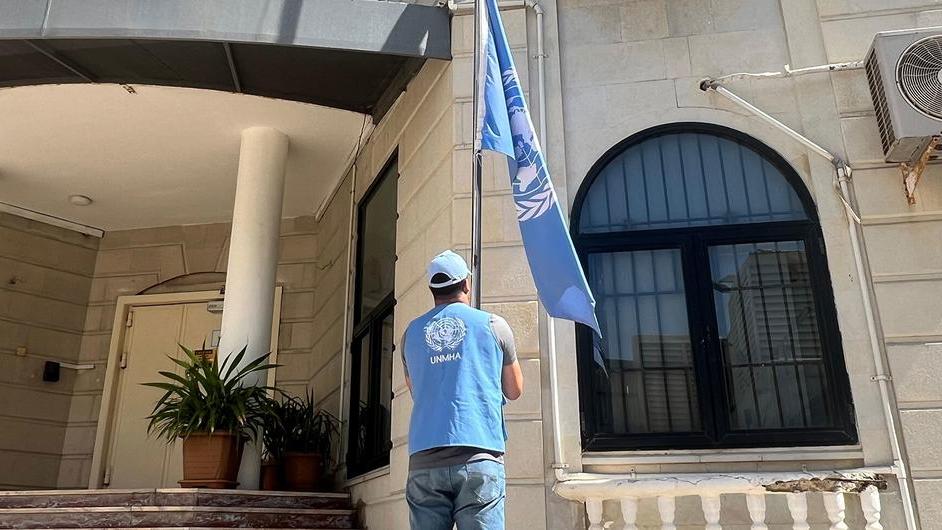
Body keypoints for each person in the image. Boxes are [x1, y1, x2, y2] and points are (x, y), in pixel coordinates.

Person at [401, 250, 524, 530]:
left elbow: (416, 390)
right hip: (478, 455)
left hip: (424, 458)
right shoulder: (495, 325)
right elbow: (515, 389)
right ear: (466, 284)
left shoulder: (410, 334)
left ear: (432, 290)